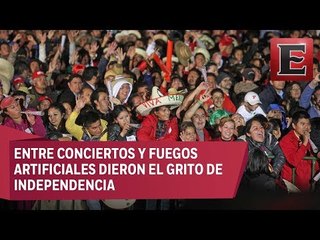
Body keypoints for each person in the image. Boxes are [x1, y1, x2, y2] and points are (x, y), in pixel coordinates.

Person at [279, 110, 319, 192]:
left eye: (308, 124)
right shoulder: (286, 140)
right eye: (302, 124)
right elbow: (293, 161)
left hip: (310, 184)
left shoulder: (312, 137)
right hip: (293, 185)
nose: (306, 127)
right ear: (294, 125)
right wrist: (304, 143)